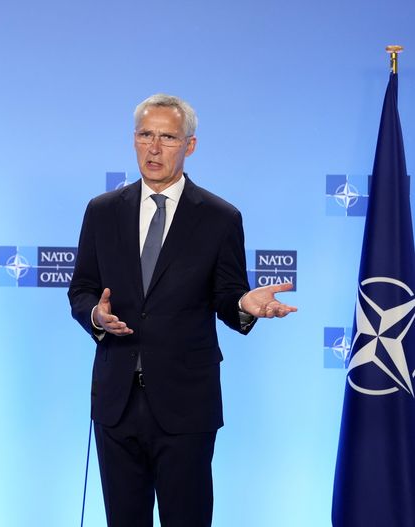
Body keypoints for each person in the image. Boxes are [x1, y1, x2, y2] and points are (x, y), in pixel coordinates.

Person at [67, 94, 296, 527]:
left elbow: (228, 296)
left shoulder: (219, 217)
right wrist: (95, 317)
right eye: (145, 135)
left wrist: (244, 304)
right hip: (116, 400)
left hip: (186, 402)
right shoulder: (101, 212)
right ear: (133, 140)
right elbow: (81, 289)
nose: (154, 148)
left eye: (167, 137)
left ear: (189, 146)